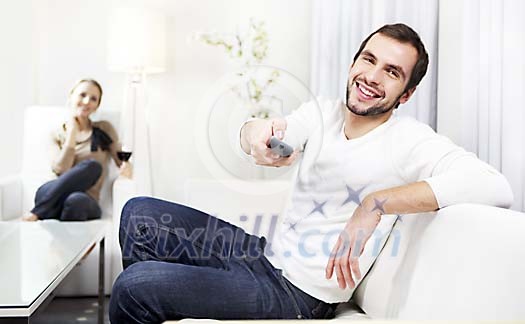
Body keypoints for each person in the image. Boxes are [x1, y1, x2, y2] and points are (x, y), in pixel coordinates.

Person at [109, 24, 513, 323]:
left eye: (391, 72)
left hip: (298, 294)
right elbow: (271, 131)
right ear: (354, 62)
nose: (372, 77)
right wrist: (255, 132)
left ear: (405, 94)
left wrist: (376, 203)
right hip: (264, 256)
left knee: (135, 287)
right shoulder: (322, 111)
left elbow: (494, 185)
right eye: (368, 60)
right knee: (139, 214)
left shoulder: (410, 140)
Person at [23, 79, 131, 222]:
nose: (86, 101)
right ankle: (42, 211)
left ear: (97, 106)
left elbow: (121, 160)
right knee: (46, 192)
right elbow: (61, 169)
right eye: (82, 95)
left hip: (86, 201)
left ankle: (38, 213)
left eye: (93, 99)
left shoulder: (104, 129)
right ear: (71, 96)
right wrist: (72, 133)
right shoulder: (56, 134)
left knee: (90, 172)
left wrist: (127, 167)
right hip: (52, 196)